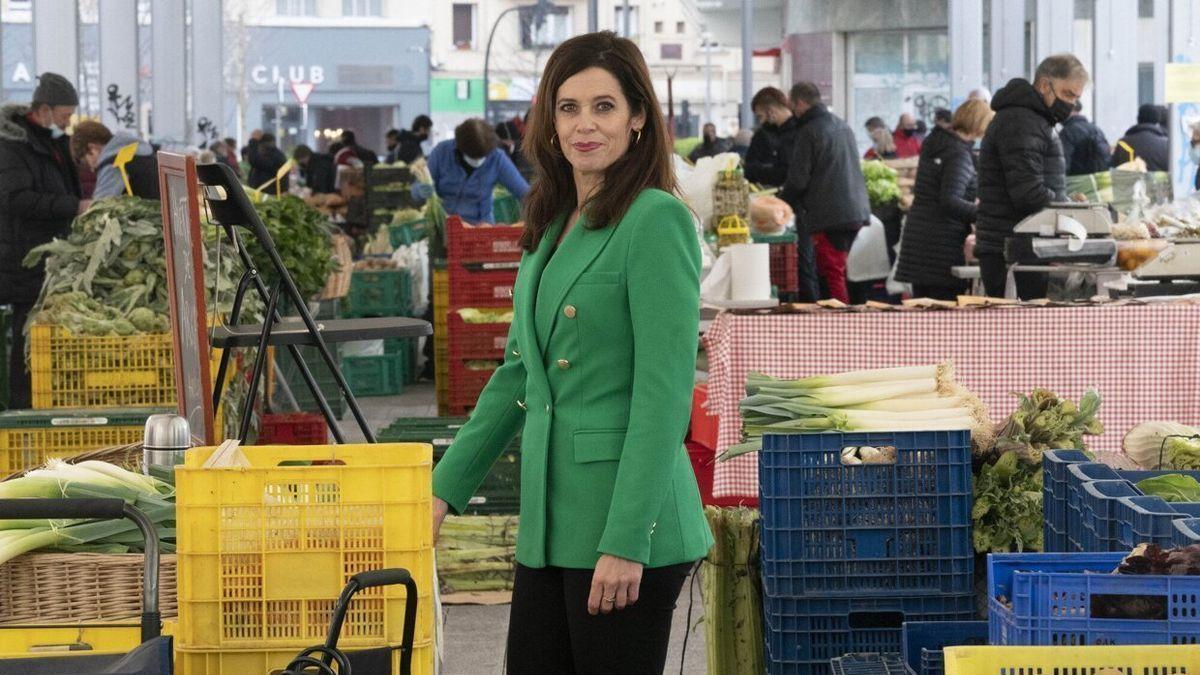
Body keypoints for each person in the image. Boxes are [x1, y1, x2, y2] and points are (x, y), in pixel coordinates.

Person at [431, 31, 712, 675]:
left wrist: (626, 541)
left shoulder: (655, 220)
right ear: (547, 122)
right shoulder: (553, 219)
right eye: (568, 107)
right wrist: (442, 491)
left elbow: (663, 394)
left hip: (625, 520)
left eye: (605, 106)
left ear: (639, 118)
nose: (584, 124)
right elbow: (517, 375)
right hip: (551, 521)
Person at [0, 72, 87, 409]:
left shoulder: (50, 142)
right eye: (65, 116)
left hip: (48, 256)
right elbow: (15, 199)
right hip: (23, 258)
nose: (67, 124)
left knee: (38, 337)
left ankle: (39, 404)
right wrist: (73, 206)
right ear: (45, 109)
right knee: (26, 339)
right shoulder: (12, 147)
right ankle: (23, 411)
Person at [977, 53, 1082, 300]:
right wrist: (1071, 209)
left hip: (1019, 243)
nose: (1070, 105)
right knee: (1015, 333)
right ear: (1045, 84)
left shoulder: (1033, 119)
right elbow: (1028, 192)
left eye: (1076, 98)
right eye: (1067, 95)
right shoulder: (1022, 122)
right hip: (1012, 248)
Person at [780, 81, 871, 304]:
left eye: (793, 105)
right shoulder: (842, 125)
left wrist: (781, 203)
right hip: (854, 210)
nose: (792, 111)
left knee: (831, 274)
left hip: (830, 213)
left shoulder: (809, 131)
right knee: (839, 270)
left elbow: (799, 179)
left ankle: (840, 326)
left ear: (800, 103)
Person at [895, 99, 995, 300]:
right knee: (942, 315)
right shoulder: (957, 154)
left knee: (921, 313)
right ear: (980, 125)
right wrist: (985, 214)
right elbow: (950, 200)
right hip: (941, 246)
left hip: (920, 240)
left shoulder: (936, 143)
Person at [422, 118, 530, 224]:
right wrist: (420, 191)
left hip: (481, 228)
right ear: (460, 147)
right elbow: (422, 187)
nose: (478, 161)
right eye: (474, 157)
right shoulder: (442, 152)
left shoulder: (497, 158)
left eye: (483, 156)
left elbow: (524, 192)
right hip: (444, 224)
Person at [68, 120, 160, 200]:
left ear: (92, 149)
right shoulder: (138, 150)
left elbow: (100, 208)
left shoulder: (113, 164)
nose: (92, 169)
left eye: (87, 163)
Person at [744, 86, 800, 187]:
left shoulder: (801, 133)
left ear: (771, 111)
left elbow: (786, 173)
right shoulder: (801, 129)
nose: (760, 121)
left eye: (760, 116)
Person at [1111, 104, 1169, 171]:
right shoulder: (1165, 144)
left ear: (1138, 118)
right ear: (1157, 120)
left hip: (1128, 181)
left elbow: (1114, 167)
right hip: (1158, 181)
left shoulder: (1123, 143)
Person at [1057, 103, 1111, 176]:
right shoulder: (1096, 129)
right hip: (1099, 180)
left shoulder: (1068, 132)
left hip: (1077, 182)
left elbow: (1062, 164)